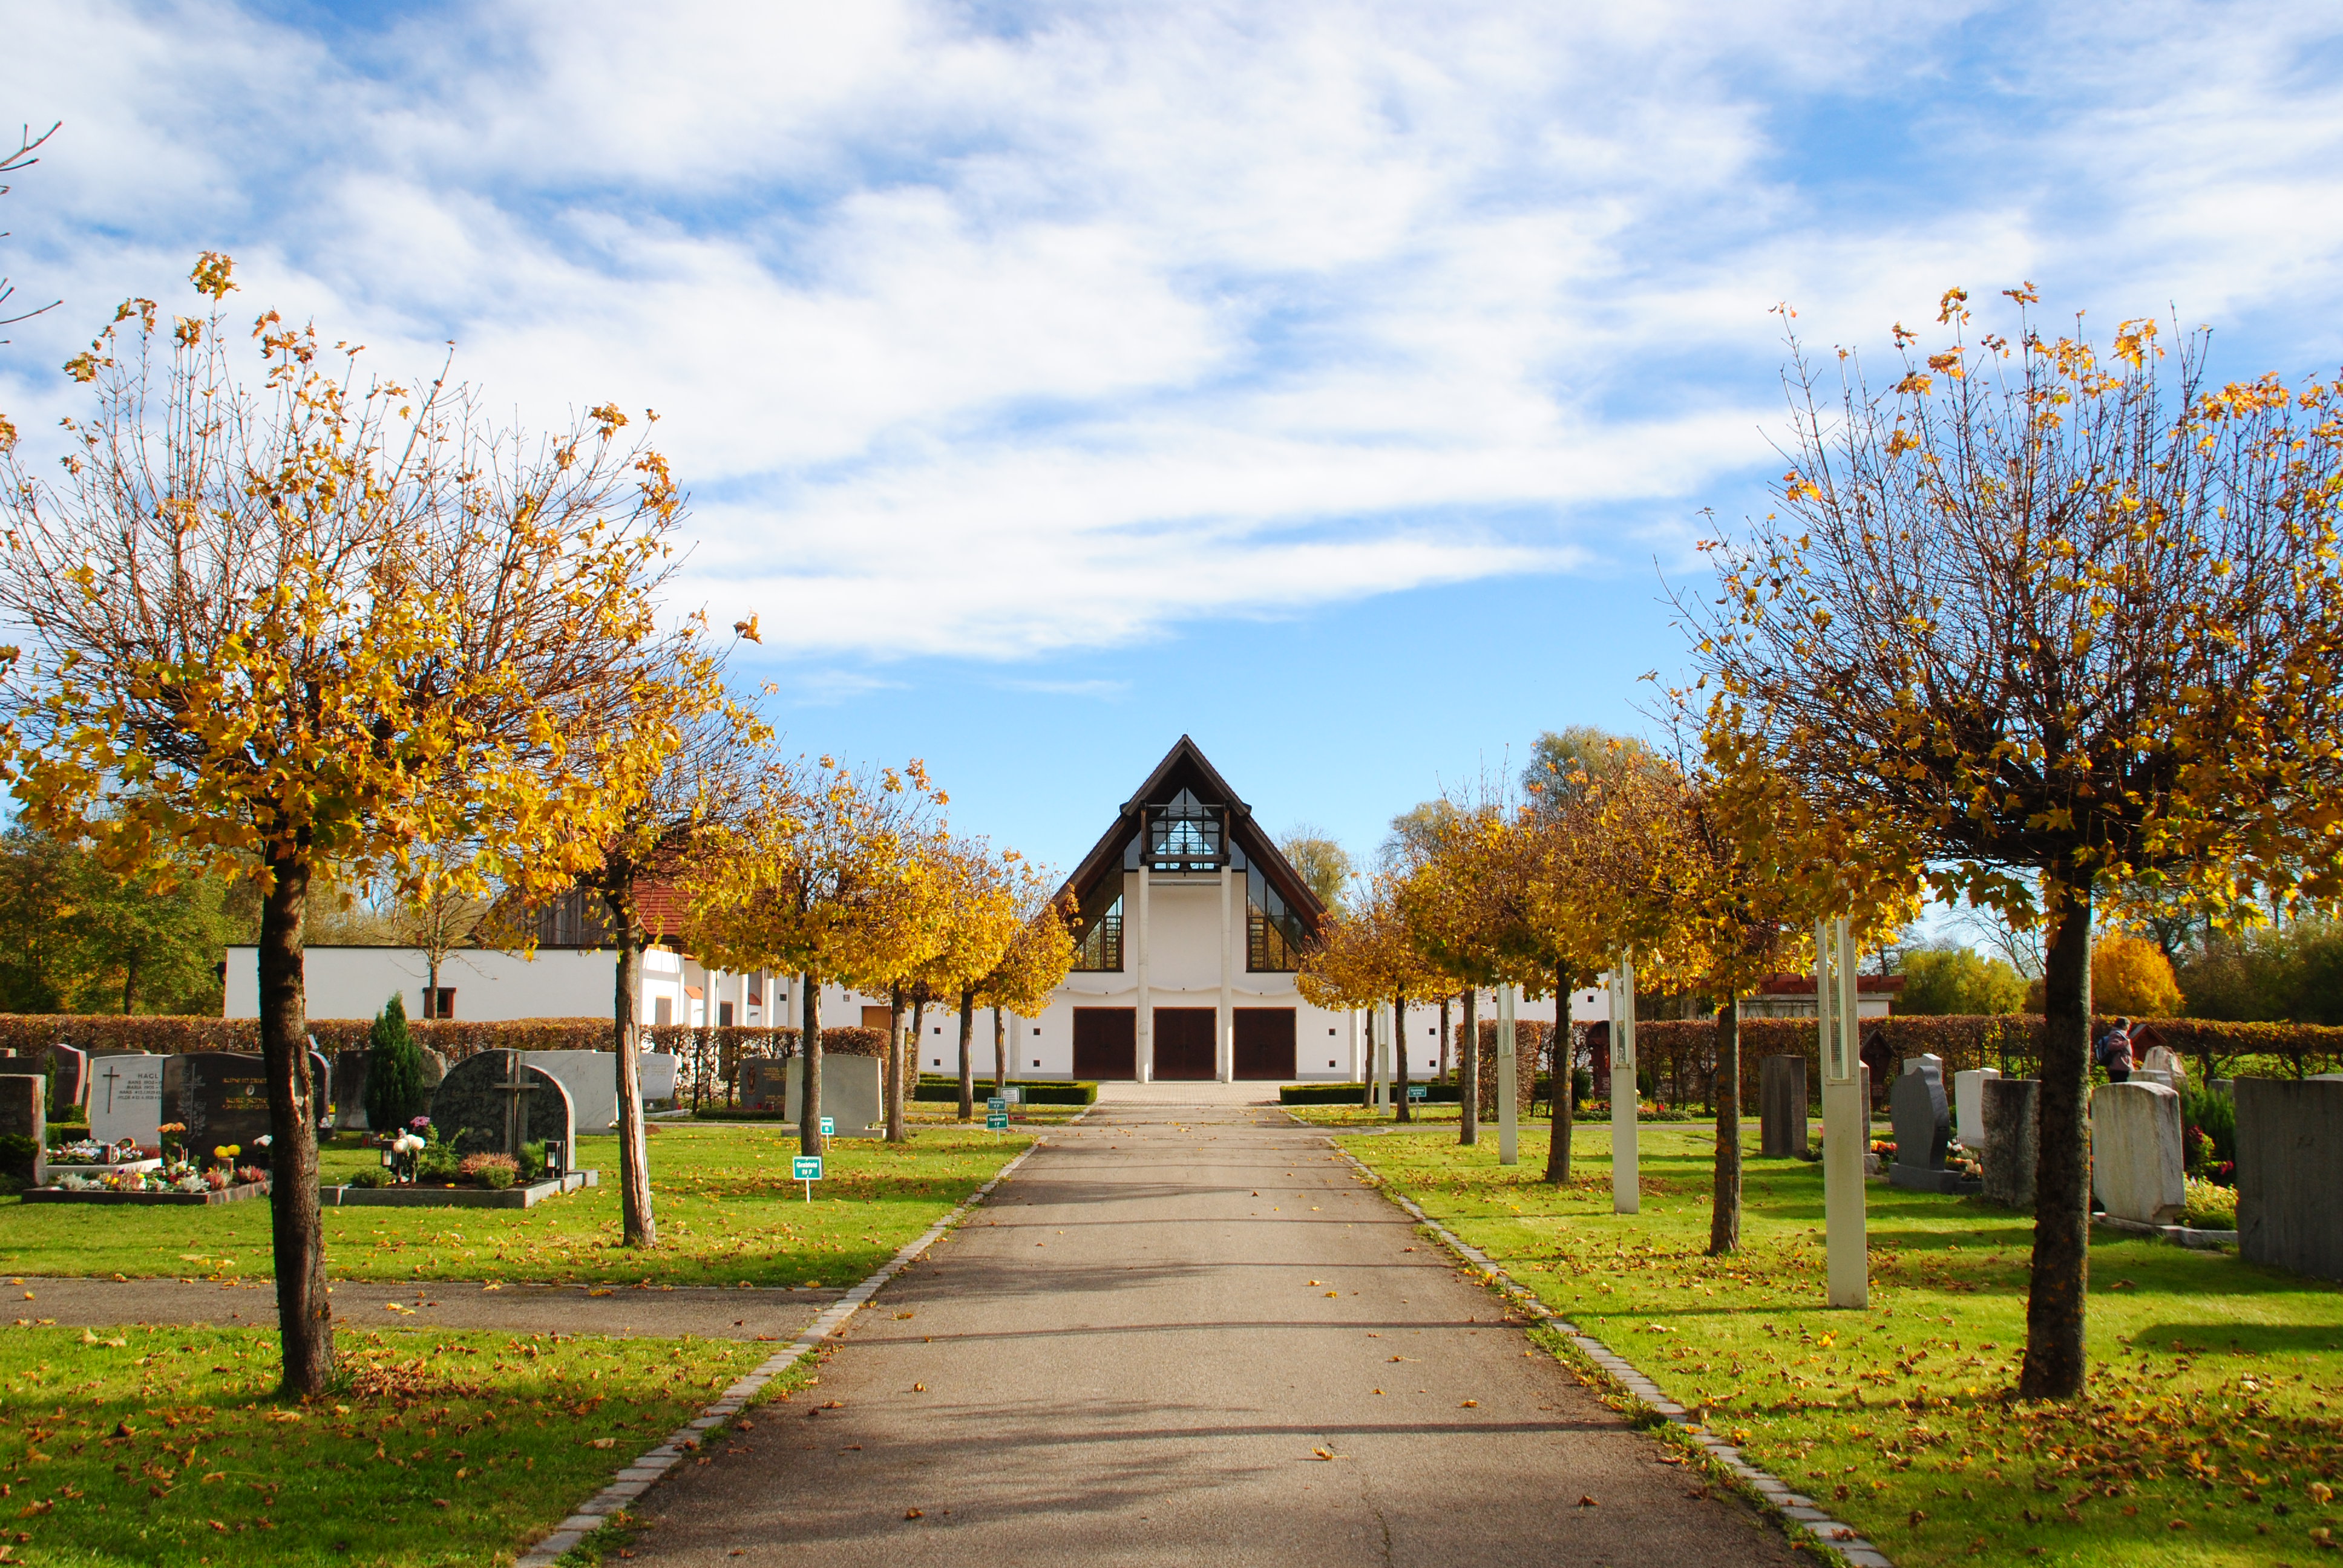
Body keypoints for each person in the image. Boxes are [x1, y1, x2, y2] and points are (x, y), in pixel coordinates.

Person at [2094, 1016, 2135, 1083]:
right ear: (2123, 1025)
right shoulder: (2117, 1034)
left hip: (2121, 1067)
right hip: (2120, 1067)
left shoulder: (2120, 1034)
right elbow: (2111, 1046)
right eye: (2128, 1025)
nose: (2129, 1027)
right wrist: (2125, 1043)